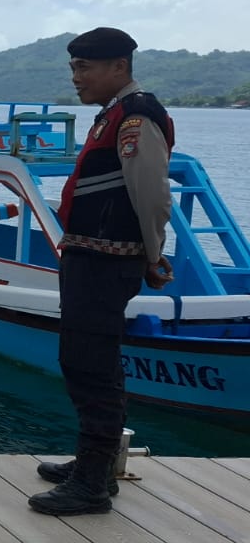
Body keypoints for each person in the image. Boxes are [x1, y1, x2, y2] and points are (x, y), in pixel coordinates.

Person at [31, 27, 175, 516]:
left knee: (93, 365)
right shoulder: (112, 116)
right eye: (73, 67)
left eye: (85, 67)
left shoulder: (136, 118)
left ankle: (93, 483)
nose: (76, 76)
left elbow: (152, 194)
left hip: (108, 261)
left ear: (119, 67)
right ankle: (92, 464)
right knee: (83, 361)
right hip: (89, 258)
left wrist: (153, 257)